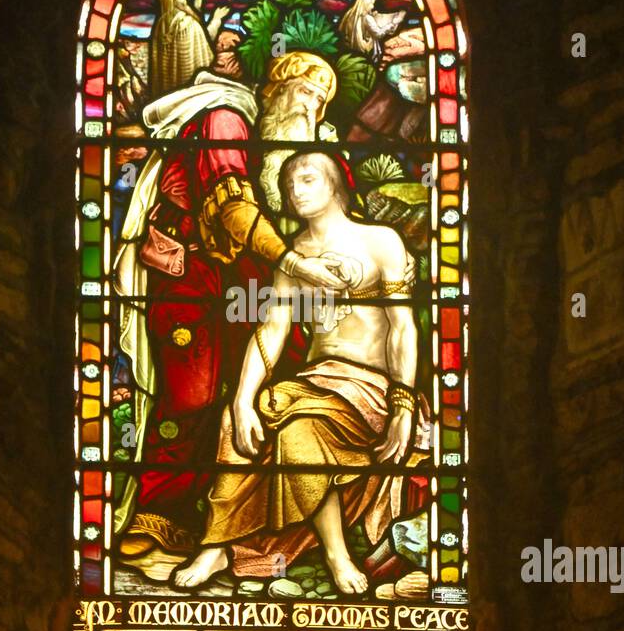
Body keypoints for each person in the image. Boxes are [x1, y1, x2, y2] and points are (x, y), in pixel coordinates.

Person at [113, 53, 347, 560]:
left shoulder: (272, 147)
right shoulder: (226, 119)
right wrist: (294, 263)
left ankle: (262, 520)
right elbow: (234, 210)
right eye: (305, 92)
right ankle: (158, 516)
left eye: (321, 102)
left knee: (277, 374)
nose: (312, 109)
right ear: (274, 90)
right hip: (189, 276)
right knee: (191, 393)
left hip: (232, 279)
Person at [172, 151, 430, 596]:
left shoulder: (379, 241)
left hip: (370, 389)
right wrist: (243, 398)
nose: (296, 191)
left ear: (336, 186)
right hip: (317, 382)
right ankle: (218, 545)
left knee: (299, 432)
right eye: (290, 184)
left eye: (308, 179)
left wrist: (403, 407)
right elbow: (271, 331)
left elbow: (402, 328)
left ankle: (336, 555)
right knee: (241, 421)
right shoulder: (293, 259)